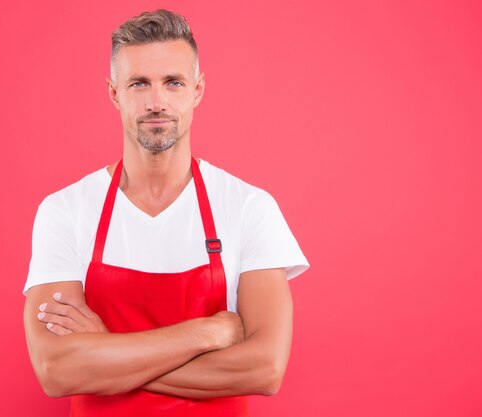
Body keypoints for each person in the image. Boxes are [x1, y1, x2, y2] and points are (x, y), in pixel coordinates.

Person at [23, 9, 309, 417]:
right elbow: (57, 370)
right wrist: (207, 332)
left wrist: (107, 352)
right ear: (114, 93)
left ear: (197, 90)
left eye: (173, 83)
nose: (156, 102)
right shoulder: (64, 212)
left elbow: (265, 368)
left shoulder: (248, 207)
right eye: (139, 83)